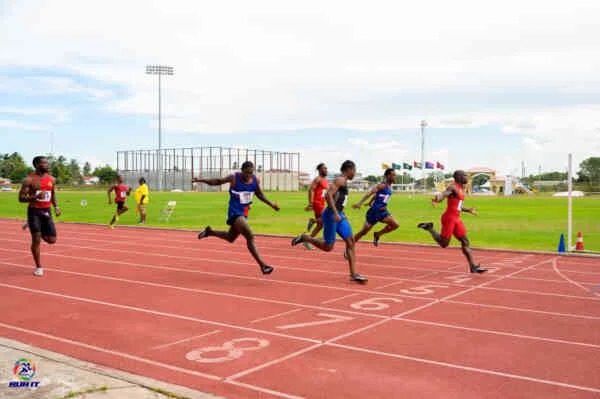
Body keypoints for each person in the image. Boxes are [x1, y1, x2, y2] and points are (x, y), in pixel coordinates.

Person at [194, 161, 280, 275]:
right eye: (247, 173)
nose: (249, 175)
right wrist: (200, 180)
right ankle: (263, 266)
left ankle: (209, 232)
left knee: (230, 238)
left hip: (244, 212)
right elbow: (217, 181)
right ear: (242, 171)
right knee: (249, 235)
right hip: (235, 212)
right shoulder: (234, 178)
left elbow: (260, 195)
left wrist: (272, 205)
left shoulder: (254, 180)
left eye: (251, 172)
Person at [291, 160, 368, 283]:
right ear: (348, 170)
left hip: (339, 215)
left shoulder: (344, 182)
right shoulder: (340, 180)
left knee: (350, 241)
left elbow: (339, 200)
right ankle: (306, 238)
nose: (355, 173)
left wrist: (342, 213)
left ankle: (354, 274)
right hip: (331, 215)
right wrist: (336, 213)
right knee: (328, 247)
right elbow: (328, 196)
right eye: (354, 170)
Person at [417, 170, 487, 273]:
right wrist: (438, 198)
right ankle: (430, 228)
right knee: (444, 244)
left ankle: (473, 267)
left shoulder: (461, 188)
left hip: (456, 219)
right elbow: (444, 194)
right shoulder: (452, 187)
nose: (466, 178)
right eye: (464, 176)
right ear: (458, 177)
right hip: (449, 218)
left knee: (465, 241)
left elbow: (458, 205)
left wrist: (468, 210)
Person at [18, 156, 61, 276]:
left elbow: (52, 194)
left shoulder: (52, 179)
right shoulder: (29, 180)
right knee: (36, 239)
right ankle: (39, 267)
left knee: (52, 240)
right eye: (44, 163)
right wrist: (34, 197)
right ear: (37, 165)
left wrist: (56, 207)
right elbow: (21, 198)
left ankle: (32, 225)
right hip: (34, 211)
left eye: (47, 163)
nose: (47, 165)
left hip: (46, 211)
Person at [351, 168, 399, 246]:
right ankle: (350, 245)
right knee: (364, 232)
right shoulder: (382, 185)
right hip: (374, 212)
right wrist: (359, 203)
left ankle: (378, 234)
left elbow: (377, 195)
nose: (395, 177)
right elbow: (369, 193)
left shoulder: (390, 186)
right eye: (393, 175)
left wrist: (370, 202)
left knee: (395, 225)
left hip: (383, 212)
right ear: (388, 176)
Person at [303, 163, 329, 249]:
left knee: (320, 225)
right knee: (326, 220)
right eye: (324, 168)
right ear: (319, 170)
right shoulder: (318, 179)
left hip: (322, 203)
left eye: (326, 168)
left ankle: (308, 240)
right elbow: (310, 190)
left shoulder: (325, 180)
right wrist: (310, 203)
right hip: (317, 203)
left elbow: (325, 193)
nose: (326, 170)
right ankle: (322, 239)